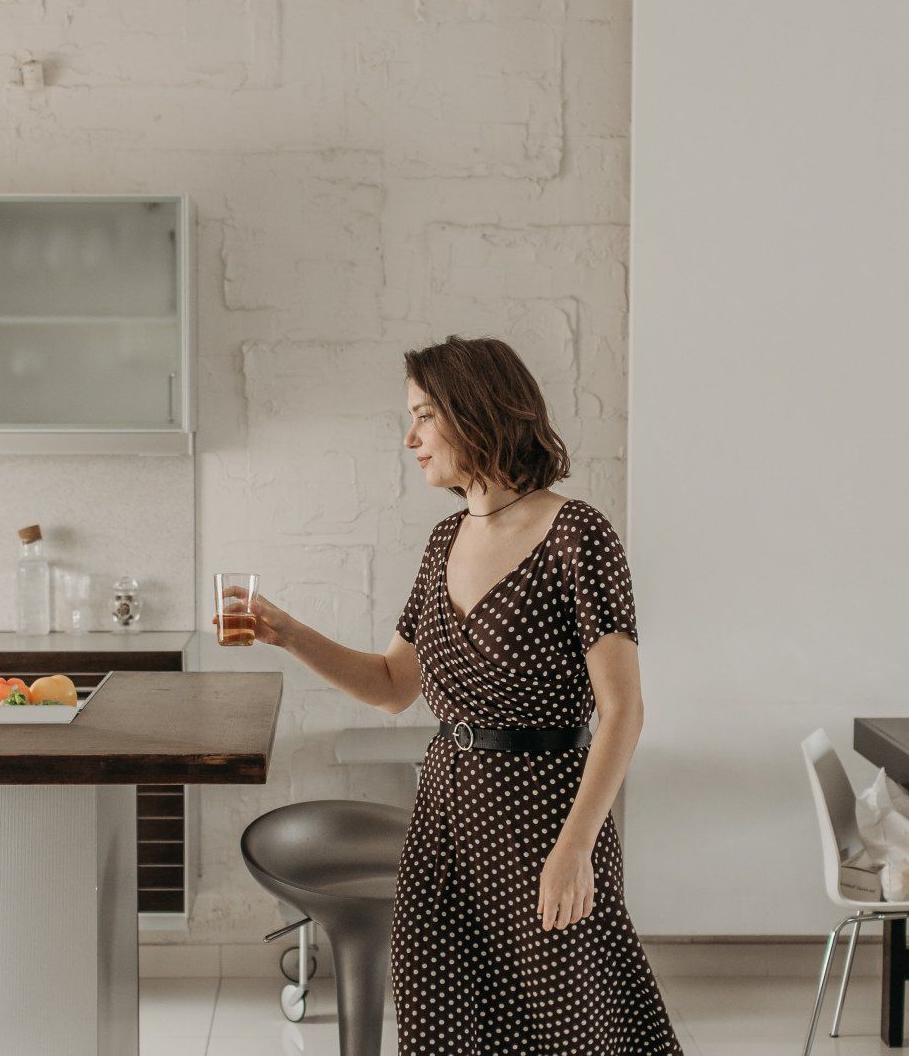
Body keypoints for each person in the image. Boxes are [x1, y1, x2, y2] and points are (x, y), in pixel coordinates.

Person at [223, 336, 683, 1054]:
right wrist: (287, 633)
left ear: (478, 412)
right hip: (444, 821)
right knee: (448, 1028)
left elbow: (624, 710)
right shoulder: (443, 541)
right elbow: (391, 687)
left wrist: (576, 847)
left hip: (543, 822)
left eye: (424, 416)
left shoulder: (577, 535)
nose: (410, 439)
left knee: (571, 1029)